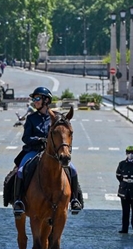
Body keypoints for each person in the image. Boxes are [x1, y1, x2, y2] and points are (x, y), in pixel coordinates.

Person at [12, 86, 83, 216]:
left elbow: (63, 133)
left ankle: (75, 199)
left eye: (37, 98)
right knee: (21, 169)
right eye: (34, 99)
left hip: (54, 153)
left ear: (46, 100)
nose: (35, 101)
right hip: (34, 150)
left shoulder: (56, 118)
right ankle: (18, 201)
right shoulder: (31, 118)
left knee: (72, 170)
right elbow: (26, 137)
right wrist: (38, 140)